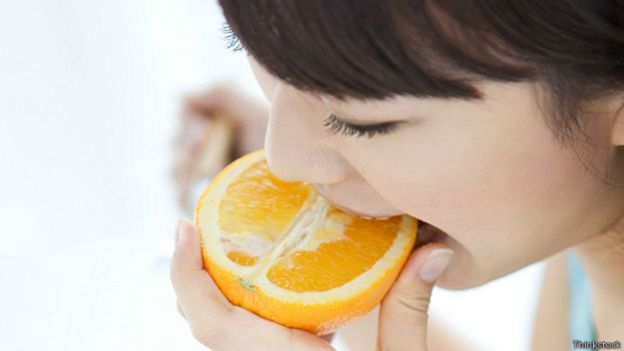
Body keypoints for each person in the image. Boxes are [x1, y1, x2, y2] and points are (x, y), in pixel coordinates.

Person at [170, 1, 624, 350]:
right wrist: (325, 257)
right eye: (247, 47)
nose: (281, 160)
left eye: (363, 122)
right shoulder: (591, 226)